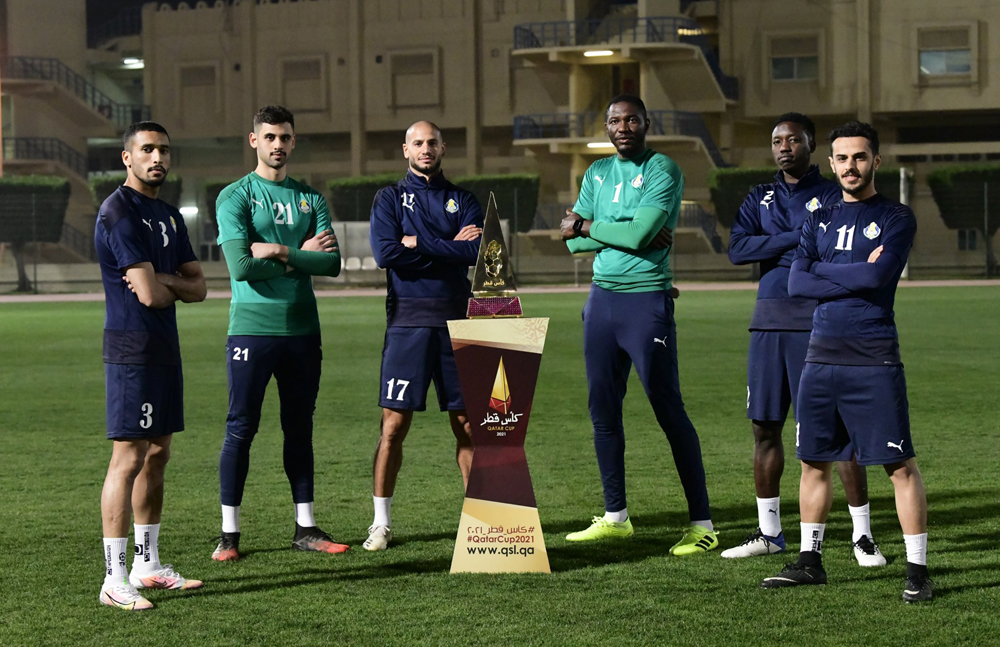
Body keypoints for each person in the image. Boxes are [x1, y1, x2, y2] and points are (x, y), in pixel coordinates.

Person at [761, 121, 931, 602]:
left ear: (876, 160)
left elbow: (879, 277)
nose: (850, 166)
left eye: (859, 157)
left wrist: (823, 270)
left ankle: (917, 573)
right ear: (832, 163)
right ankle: (810, 562)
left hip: (873, 358)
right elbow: (796, 284)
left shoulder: (897, 216)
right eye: (841, 158)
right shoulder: (818, 218)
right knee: (813, 463)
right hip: (820, 358)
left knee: (898, 466)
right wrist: (853, 272)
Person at [559, 94, 716, 555]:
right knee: (603, 412)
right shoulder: (596, 171)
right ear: (606, 126)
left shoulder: (663, 169)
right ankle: (616, 518)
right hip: (601, 303)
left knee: (669, 410)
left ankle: (703, 525)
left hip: (646, 302)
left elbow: (629, 233)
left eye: (631, 120)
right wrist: (622, 232)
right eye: (614, 120)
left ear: (646, 123)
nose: (622, 127)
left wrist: (590, 227)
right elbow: (571, 243)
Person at [724, 113, 883, 566]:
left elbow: (834, 252)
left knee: (837, 430)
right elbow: (737, 249)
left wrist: (776, 242)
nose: (784, 147)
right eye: (777, 141)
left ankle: (862, 536)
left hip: (819, 321)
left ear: (811, 145)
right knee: (764, 426)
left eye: (793, 140)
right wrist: (798, 237)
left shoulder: (834, 193)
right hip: (768, 321)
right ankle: (770, 532)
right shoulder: (759, 195)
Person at [212, 105, 344, 561]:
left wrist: (279, 251)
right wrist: (300, 254)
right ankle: (229, 535)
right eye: (269, 137)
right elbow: (241, 267)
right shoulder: (235, 196)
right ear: (254, 140)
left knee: (299, 428)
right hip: (251, 330)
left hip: (303, 329)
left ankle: (305, 527)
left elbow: (332, 263)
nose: (278, 145)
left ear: (293, 141)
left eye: (285, 137)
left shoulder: (311, 199)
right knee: (241, 428)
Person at [95, 121, 207, 610]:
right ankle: (113, 579)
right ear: (128, 157)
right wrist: (167, 282)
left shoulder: (169, 215)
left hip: (164, 348)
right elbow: (148, 294)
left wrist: (167, 280)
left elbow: (198, 286)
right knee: (128, 459)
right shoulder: (118, 211)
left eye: (163, 149)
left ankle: (147, 565)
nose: (157, 157)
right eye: (146, 150)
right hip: (132, 351)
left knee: (158, 454)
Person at [363, 121, 483, 551]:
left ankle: (479, 522)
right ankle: (380, 524)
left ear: (443, 147)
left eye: (432, 142)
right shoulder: (389, 198)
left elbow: (476, 251)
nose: (425, 148)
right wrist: (448, 245)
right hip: (407, 325)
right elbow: (386, 253)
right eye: (418, 143)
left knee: (467, 425)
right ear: (406, 150)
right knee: (393, 426)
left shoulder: (464, 199)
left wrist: (418, 243)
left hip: (459, 324)